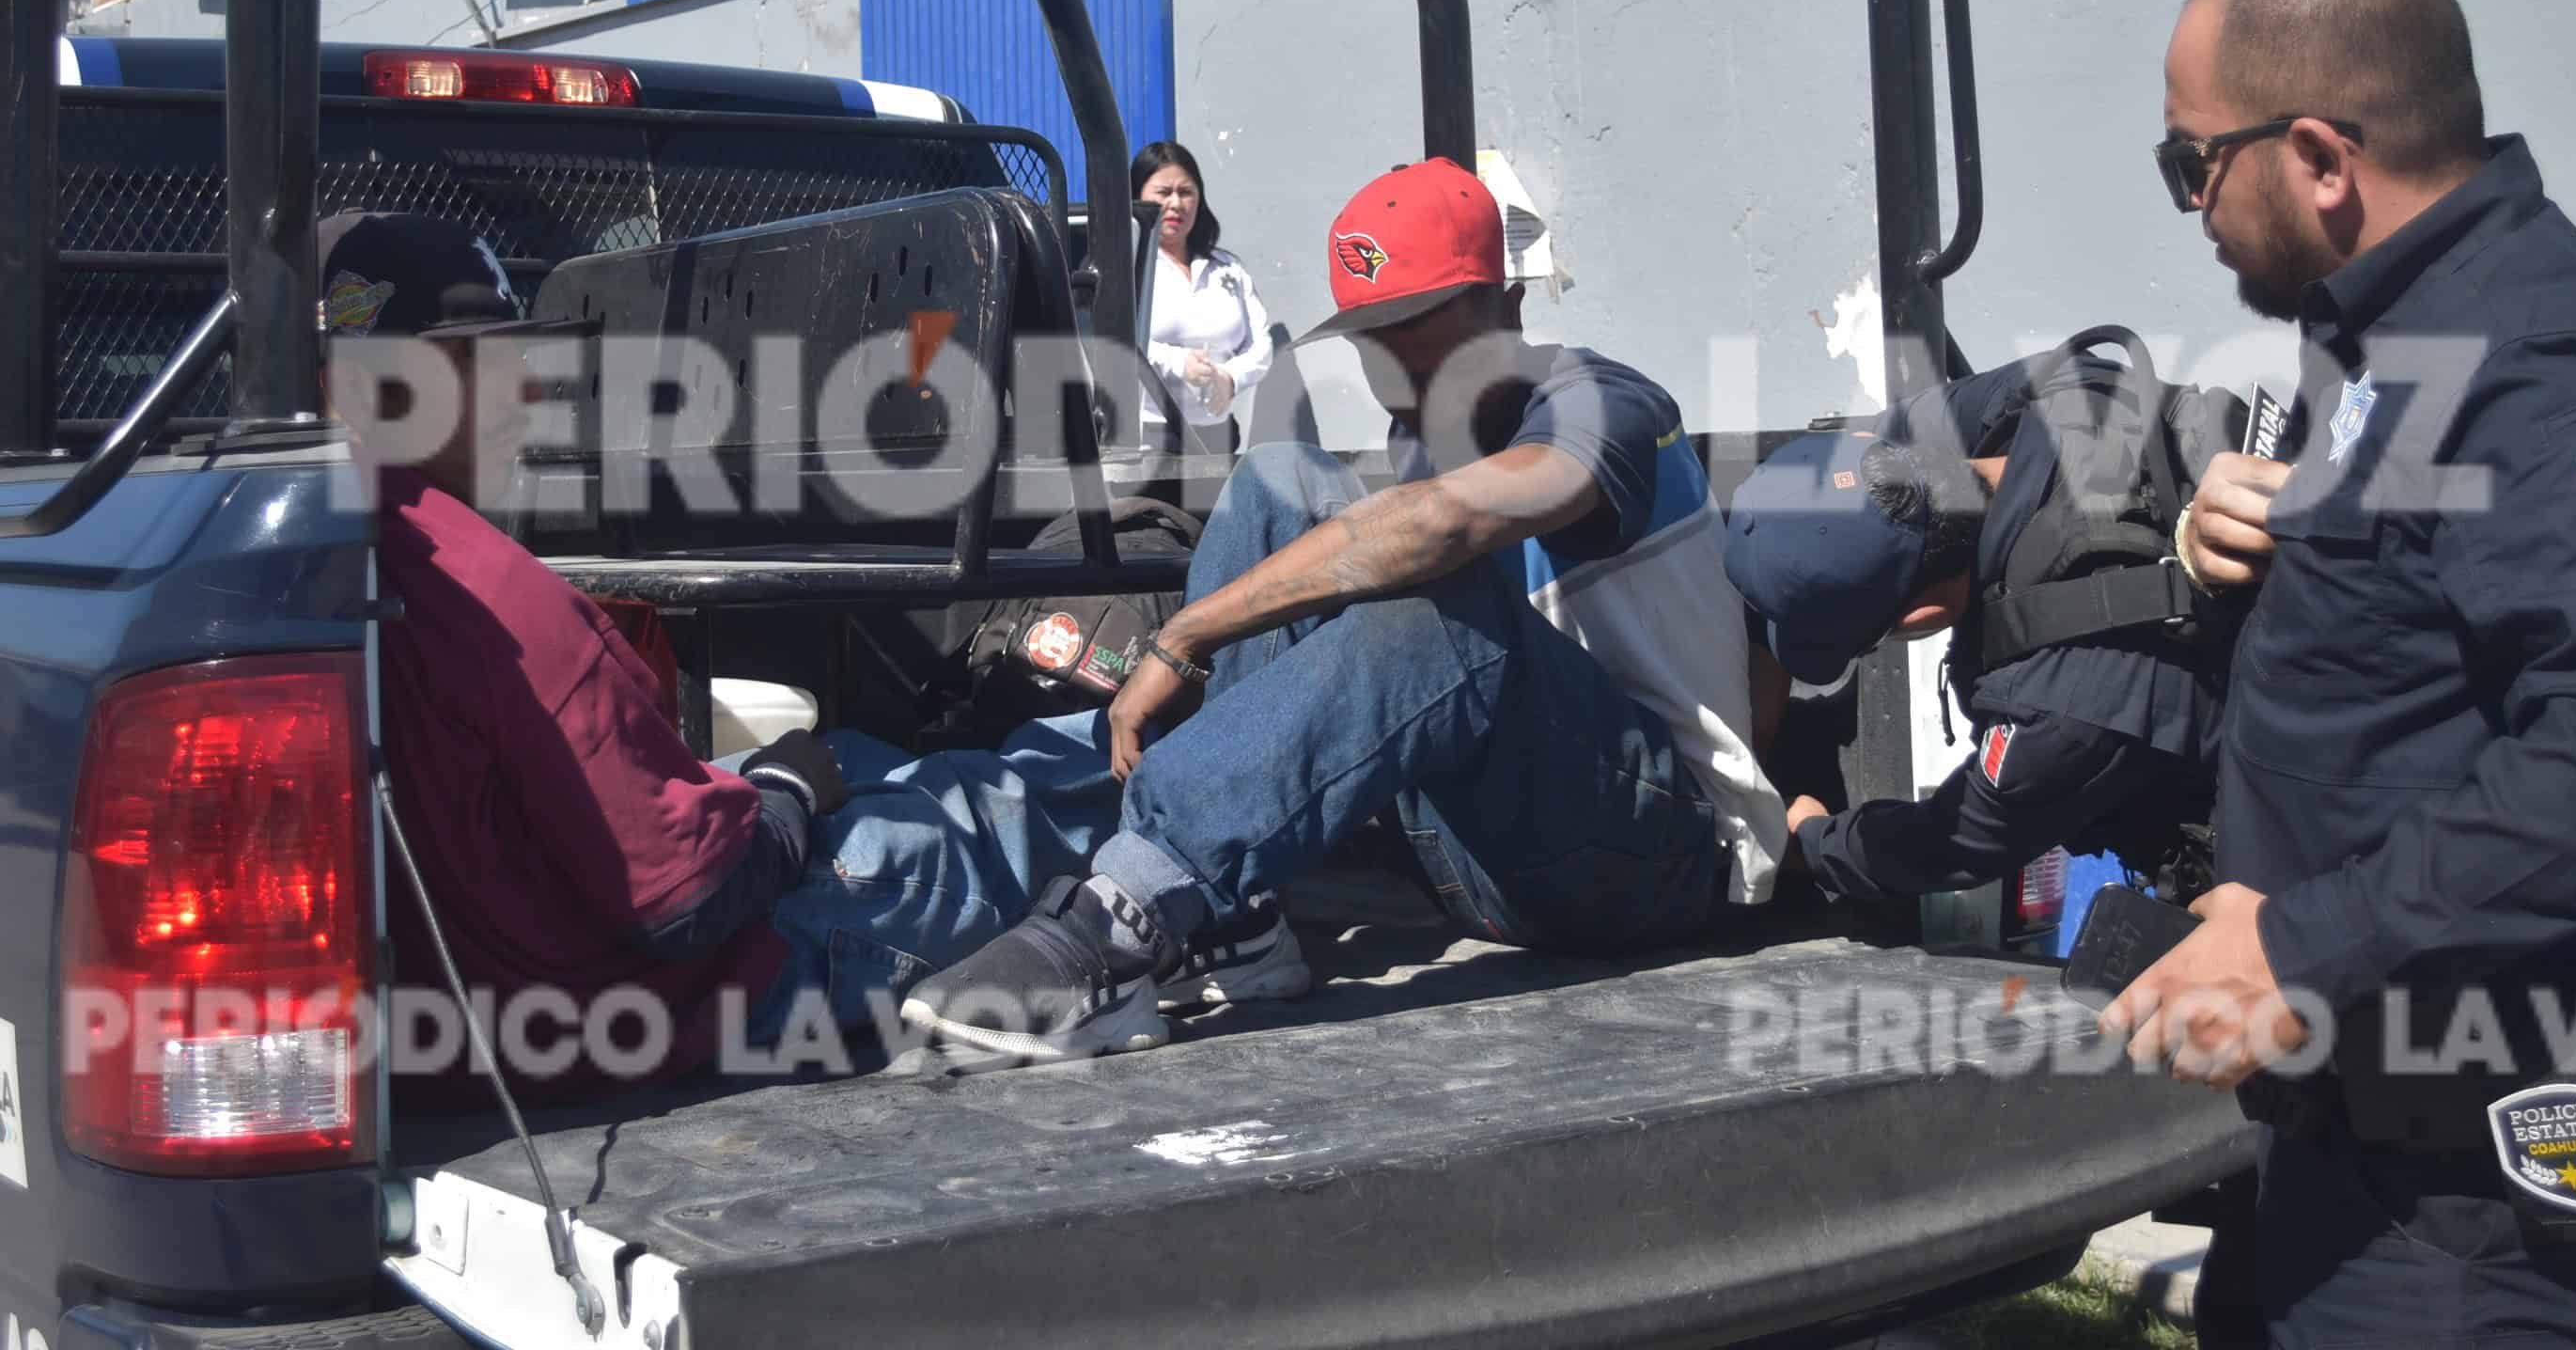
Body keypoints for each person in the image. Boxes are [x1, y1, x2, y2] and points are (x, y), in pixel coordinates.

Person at [2102, 0, 2576, 1348]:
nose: (2192, 207)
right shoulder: (2402, 347)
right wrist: (2251, 555)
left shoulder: (2545, 372)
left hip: (2472, 1215)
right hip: (2349, 1152)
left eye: (2191, 163)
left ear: (2323, 159)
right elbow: (2423, 660)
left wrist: (2306, 946)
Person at [317, 212, 1262, 1101]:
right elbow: (687, 898)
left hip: (478, 1009)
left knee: (858, 760)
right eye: (492, 361)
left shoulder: (312, 548)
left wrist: (785, 783)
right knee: (989, 798)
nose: (529, 390)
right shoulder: (500, 597)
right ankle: (1228, 790)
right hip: (681, 993)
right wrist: (785, 793)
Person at [903, 157, 1783, 1068]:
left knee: (1441, 600)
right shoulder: (1420, 435)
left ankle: (1124, 913)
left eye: (1417, 326)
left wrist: (1187, 634)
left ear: (1506, 307)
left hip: (1651, 851)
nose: (1395, 360)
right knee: (1283, 478)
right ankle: (1235, 921)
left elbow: (1447, 527)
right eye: (1371, 333)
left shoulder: (1604, 403)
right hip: (1479, 839)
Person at [1725, 346, 2239, 909]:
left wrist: (1813, 840)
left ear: (1921, 618)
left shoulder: (2060, 704)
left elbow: (1951, 843)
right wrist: (1752, 749)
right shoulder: (2049, 392)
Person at [1135, 140, 1273, 451]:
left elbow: (1261, 344)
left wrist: (1230, 378)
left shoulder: (1228, 268)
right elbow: (1111, 338)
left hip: (1217, 433)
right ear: (1137, 197)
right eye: (1163, 192)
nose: (1176, 203)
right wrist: (1178, 362)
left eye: (1186, 192)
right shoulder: (1125, 267)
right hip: (1148, 436)